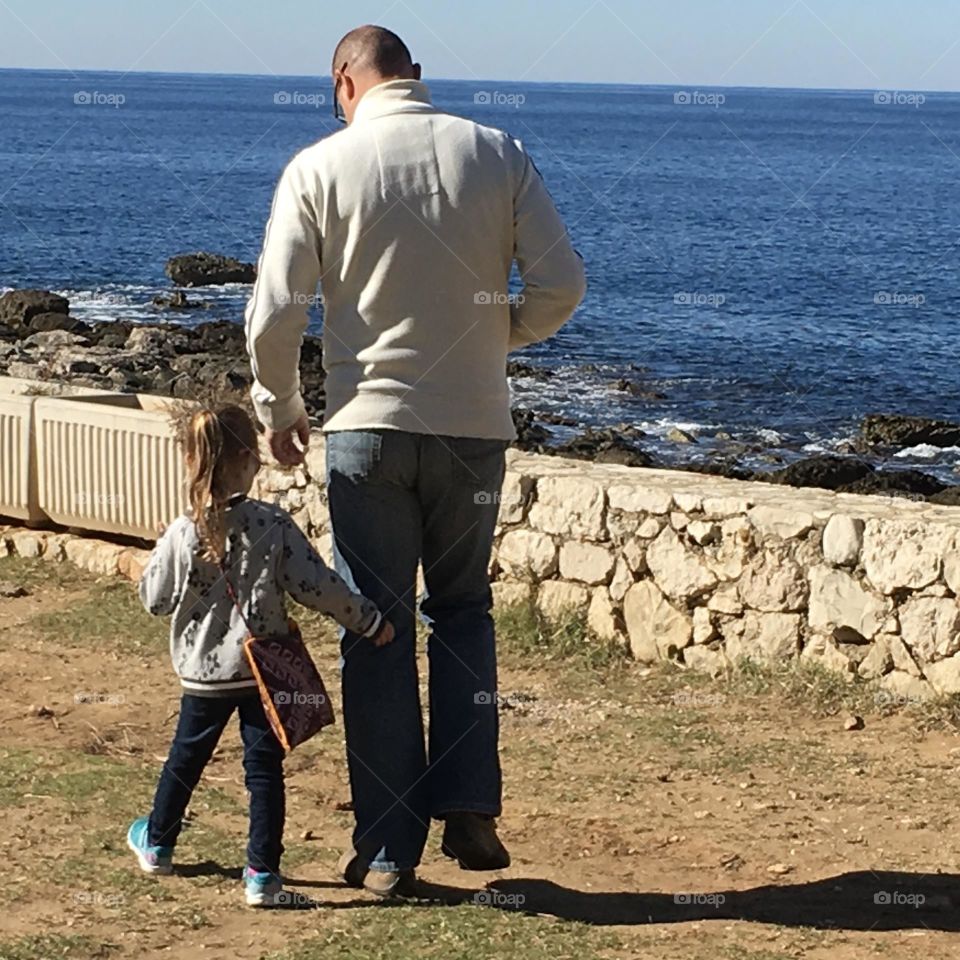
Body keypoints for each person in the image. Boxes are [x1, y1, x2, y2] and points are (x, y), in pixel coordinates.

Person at [245, 25, 586, 897]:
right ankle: (470, 805)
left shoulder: (320, 168)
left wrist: (279, 410)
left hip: (368, 431)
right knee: (464, 612)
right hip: (473, 428)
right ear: (416, 77)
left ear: (343, 83)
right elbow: (562, 286)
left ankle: (390, 847)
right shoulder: (496, 152)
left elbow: (277, 309)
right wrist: (495, 336)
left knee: (379, 631)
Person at [126, 404, 393, 907]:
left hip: (203, 675)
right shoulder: (272, 525)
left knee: (186, 758)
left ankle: (158, 841)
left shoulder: (182, 534)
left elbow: (155, 601)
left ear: (191, 460)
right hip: (261, 671)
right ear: (251, 460)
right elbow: (316, 585)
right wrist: (368, 620)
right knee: (264, 769)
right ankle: (263, 875)